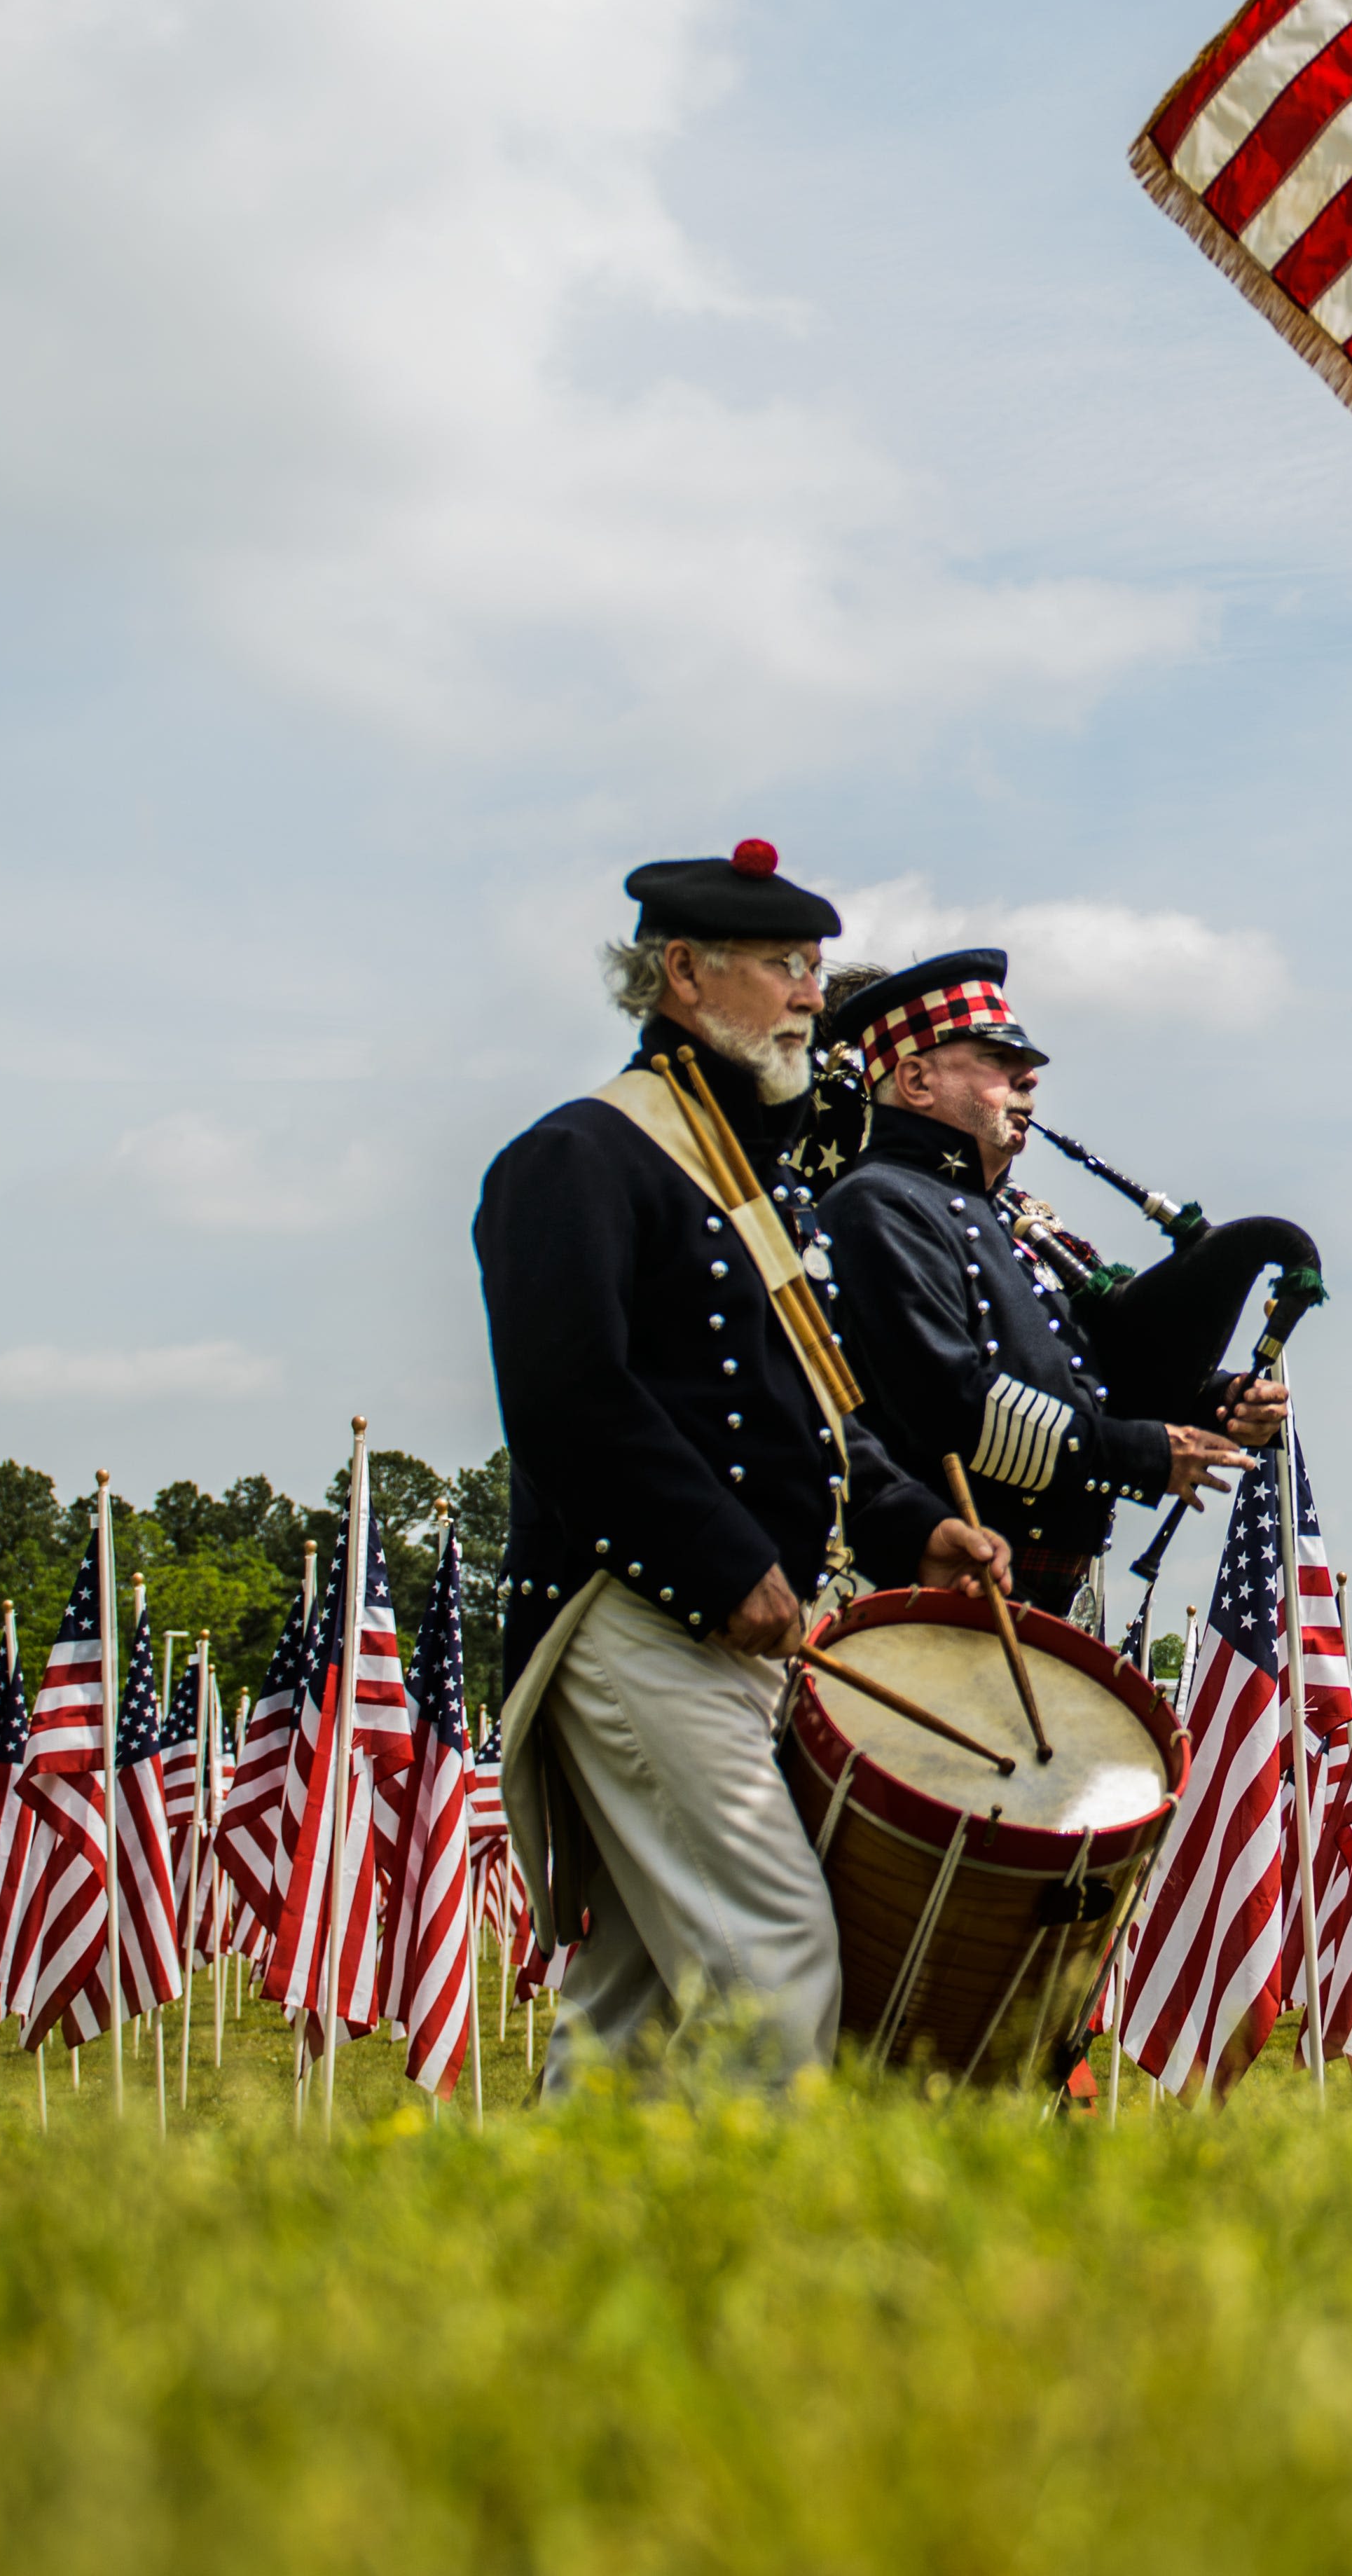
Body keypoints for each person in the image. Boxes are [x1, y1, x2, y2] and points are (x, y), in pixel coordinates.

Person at [472, 841, 1002, 2091]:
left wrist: (912, 1523)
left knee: (642, 2006)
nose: (814, 994)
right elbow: (566, 1401)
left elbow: (802, 1409)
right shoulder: (583, 1156)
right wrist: (718, 1564)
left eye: (812, 964)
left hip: (718, 1620)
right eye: (783, 966)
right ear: (683, 972)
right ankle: (757, 2271)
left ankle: (554, 2250)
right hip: (637, 1612)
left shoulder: (737, 1169)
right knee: (775, 1953)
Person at [808, 949, 1290, 1619]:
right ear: (914, 1081)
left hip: (1028, 1592)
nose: (1028, 1077)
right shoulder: (878, 1203)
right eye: (995, 1061)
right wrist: (1144, 1454)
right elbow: (950, 1405)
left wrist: (1214, 1404)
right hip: (932, 1589)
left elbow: (1084, 1374)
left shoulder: (1001, 1216)